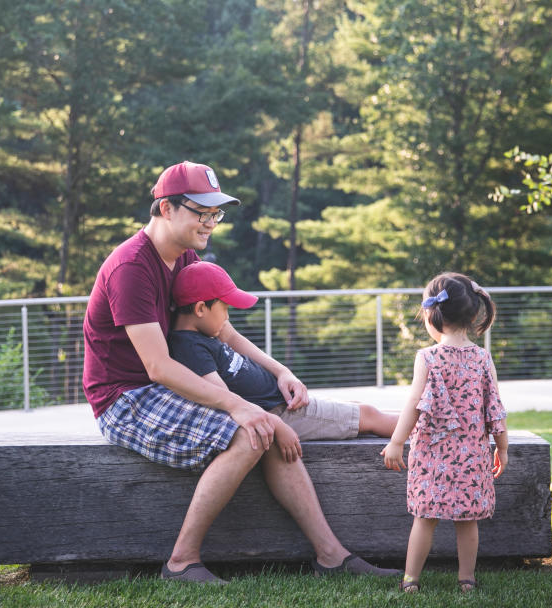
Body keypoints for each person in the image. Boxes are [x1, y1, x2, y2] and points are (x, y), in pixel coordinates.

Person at [82, 161, 398, 585]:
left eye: (216, 213)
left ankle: (331, 555)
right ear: (166, 208)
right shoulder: (131, 268)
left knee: (261, 425)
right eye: (201, 212)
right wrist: (244, 410)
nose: (210, 222)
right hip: (127, 398)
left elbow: (222, 329)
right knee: (249, 431)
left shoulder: (185, 258)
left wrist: (280, 370)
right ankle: (181, 562)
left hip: (170, 385)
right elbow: (158, 368)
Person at [168, 260, 397, 461]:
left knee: (360, 409)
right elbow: (226, 400)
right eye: (225, 308)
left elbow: (231, 339)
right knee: (369, 415)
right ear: (200, 309)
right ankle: (430, 430)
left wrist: (282, 373)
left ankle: (425, 424)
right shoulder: (189, 348)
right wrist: (277, 425)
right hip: (278, 414)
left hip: (282, 405)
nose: (227, 317)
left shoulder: (203, 335)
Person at [380, 272, 509, 595]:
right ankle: (467, 579)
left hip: (432, 453)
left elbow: (412, 404)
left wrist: (397, 442)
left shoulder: (427, 357)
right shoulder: (482, 358)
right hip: (472, 453)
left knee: (425, 517)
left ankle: (411, 580)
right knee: (468, 521)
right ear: (472, 314)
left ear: (432, 314)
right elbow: (495, 408)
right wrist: (502, 448)